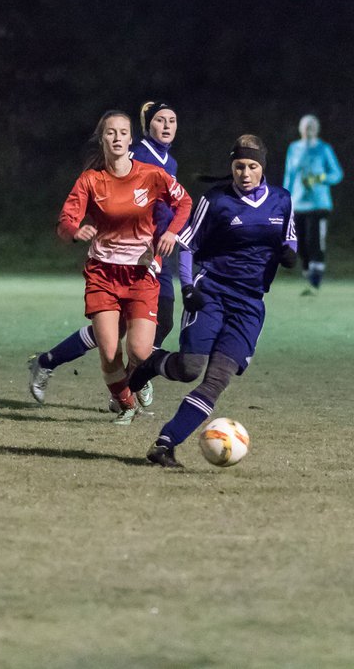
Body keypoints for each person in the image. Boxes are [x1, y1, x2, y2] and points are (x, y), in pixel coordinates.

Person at [125, 134, 296, 467]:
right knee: (190, 369)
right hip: (212, 292)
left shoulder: (282, 199)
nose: (244, 173)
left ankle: (165, 444)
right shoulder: (216, 200)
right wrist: (189, 288)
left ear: (263, 168)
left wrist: (290, 252)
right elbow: (187, 244)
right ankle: (151, 364)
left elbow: (289, 235)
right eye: (238, 166)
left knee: (217, 380)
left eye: (251, 166)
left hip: (249, 304)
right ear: (231, 167)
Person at [28, 101, 181, 405]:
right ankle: (128, 383)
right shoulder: (135, 154)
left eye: (172, 121)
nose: (166, 126)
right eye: (159, 121)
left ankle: (56, 363)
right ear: (145, 127)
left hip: (152, 256)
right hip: (124, 261)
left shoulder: (168, 161)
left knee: (151, 324)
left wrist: (175, 233)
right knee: (123, 331)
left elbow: (177, 204)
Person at [283, 114, 343, 293]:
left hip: (319, 205)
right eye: (306, 126)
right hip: (298, 204)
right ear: (300, 129)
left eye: (312, 126)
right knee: (299, 243)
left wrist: (320, 178)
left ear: (317, 129)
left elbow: (337, 174)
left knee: (314, 241)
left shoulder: (324, 149)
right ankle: (309, 272)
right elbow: (289, 175)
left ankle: (316, 280)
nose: (308, 129)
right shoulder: (293, 148)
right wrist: (284, 198)